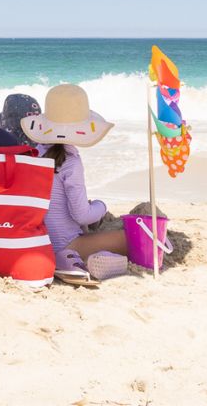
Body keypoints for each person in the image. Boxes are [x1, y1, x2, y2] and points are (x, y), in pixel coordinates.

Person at [19, 82, 128, 272]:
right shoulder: (70, 162)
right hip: (64, 244)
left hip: (34, 242)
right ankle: (81, 259)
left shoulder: (33, 154)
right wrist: (101, 206)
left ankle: (87, 258)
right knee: (128, 240)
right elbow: (81, 215)